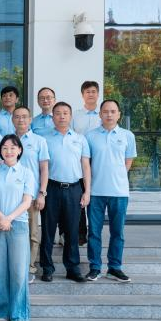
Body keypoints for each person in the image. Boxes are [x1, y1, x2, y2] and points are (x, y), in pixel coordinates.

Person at [85, 100, 137, 283]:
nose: (109, 114)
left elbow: (128, 162)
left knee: (117, 232)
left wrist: (117, 176)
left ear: (119, 114)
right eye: (105, 111)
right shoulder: (90, 136)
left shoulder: (127, 136)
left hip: (119, 192)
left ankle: (114, 268)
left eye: (113, 111)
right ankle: (95, 267)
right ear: (100, 114)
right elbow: (86, 164)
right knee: (94, 232)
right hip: (96, 192)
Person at [39, 102, 91, 283]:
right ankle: (47, 268)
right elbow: (42, 167)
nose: (62, 116)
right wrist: (41, 192)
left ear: (70, 116)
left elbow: (86, 166)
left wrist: (87, 192)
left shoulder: (80, 139)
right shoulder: (43, 138)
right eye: (58, 113)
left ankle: (73, 268)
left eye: (65, 113)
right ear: (52, 117)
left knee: (72, 231)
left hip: (74, 189)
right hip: (51, 188)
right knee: (48, 231)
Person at [0, 134, 34, 321]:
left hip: (19, 225)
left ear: (20, 150)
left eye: (13, 147)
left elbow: (27, 201)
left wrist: (9, 218)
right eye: (5, 148)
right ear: (0, 150)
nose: (8, 151)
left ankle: (19, 314)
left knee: (19, 271)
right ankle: (0, 311)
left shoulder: (26, 172)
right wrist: (1, 217)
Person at [12, 107, 49, 283]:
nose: (21, 120)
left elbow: (44, 169)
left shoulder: (39, 141)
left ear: (30, 120)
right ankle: (15, 266)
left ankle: (29, 266)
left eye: (24, 117)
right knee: (12, 233)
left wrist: (42, 193)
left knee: (32, 234)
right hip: (11, 197)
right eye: (17, 117)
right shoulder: (7, 140)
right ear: (12, 119)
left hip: (31, 196)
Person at [72, 80, 101, 246]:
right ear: (82, 95)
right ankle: (80, 235)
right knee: (80, 198)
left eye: (93, 91)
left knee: (95, 199)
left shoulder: (103, 114)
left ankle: (94, 234)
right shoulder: (75, 115)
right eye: (87, 92)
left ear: (98, 94)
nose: (91, 94)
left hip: (99, 161)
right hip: (80, 162)